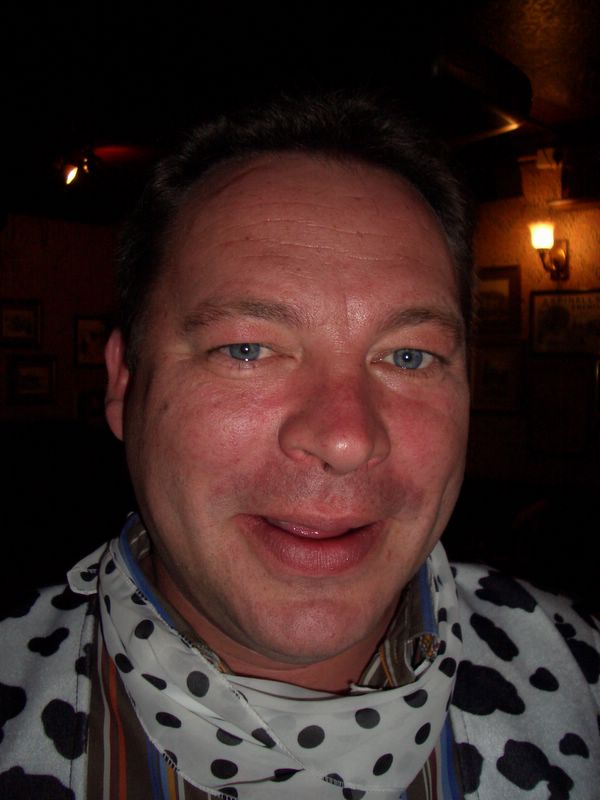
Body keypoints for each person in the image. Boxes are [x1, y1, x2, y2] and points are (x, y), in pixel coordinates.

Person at [1, 94, 598, 800]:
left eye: (408, 356)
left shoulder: (582, 678)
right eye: (247, 349)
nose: (345, 438)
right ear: (124, 384)